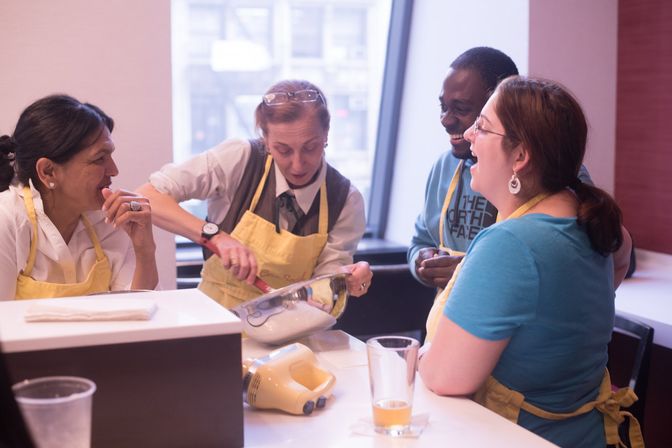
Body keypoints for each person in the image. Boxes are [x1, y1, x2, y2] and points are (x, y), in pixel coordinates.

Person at [418, 76, 640, 448]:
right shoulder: (590, 221)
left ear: (520, 156)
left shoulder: (510, 245)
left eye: (483, 127)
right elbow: (620, 256)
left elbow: (444, 378)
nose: (470, 134)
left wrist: (421, 355)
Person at [408, 47, 630, 290]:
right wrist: (422, 261)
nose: (446, 120)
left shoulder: (554, 175)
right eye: (443, 107)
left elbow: (597, 253)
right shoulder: (443, 168)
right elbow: (421, 241)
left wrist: (473, 271)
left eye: (462, 110)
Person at [137, 79, 372, 309]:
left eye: (311, 147)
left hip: (292, 333)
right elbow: (148, 196)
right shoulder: (240, 159)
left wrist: (345, 279)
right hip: (216, 323)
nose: (298, 164)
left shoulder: (345, 200)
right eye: (283, 150)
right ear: (266, 139)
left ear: (327, 134)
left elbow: (324, 290)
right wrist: (216, 237)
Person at [0, 95, 158, 300]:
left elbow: (139, 314)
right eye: (100, 159)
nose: (114, 170)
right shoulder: (7, 220)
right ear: (48, 172)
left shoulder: (110, 221)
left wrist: (145, 249)